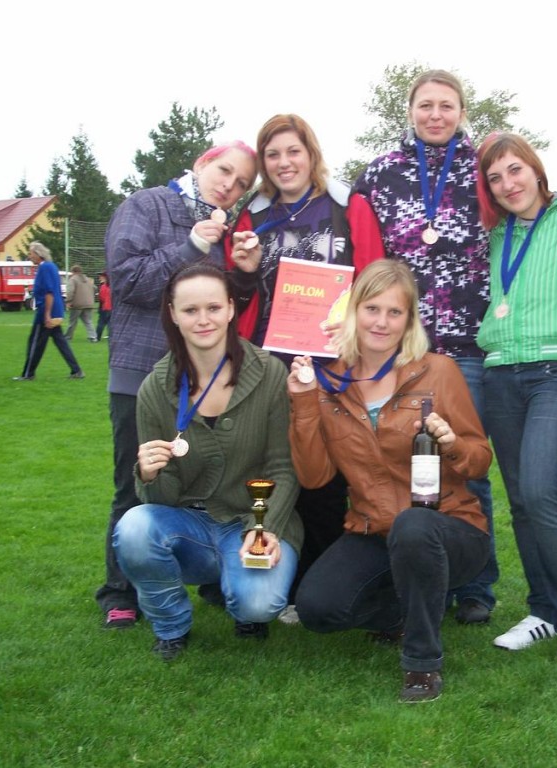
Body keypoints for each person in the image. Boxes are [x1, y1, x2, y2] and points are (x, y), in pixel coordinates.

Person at [287, 259, 491, 703]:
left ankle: (422, 663)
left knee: (413, 525)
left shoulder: (439, 371)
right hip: (373, 530)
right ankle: (408, 608)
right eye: (372, 309)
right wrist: (303, 402)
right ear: (353, 312)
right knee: (317, 610)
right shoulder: (328, 383)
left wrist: (452, 442)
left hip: (449, 528)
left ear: (409, 319)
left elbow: (479, 462)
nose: (381, 322)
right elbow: (314, 477)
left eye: (394, 312)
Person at [351, 69, 498, 625]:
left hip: (468, 343)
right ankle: (410, 574)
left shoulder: (483, 167)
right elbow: (359, 243)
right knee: (397, 460)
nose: (436, 115)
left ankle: (477, 586)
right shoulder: (381, 173)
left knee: (467, 465)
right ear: (410, 110)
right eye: (426, 105)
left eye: (447, 105)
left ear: (462, 112)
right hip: (401, 347)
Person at [226, 115, 381, 622]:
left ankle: (326, 582)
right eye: (273, 154)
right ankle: (265, 575)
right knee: (270, 471)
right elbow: (235, 294)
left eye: (293, 151)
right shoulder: (252, 216)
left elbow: (374, 278)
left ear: (311, 154)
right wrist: (243, 271)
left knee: (325, 478)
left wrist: (355, 331)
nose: (284, 162)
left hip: (334, 366)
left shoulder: (348, 206)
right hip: (267, 365)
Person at [98, 141, 258, 630]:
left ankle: (211, 578)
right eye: (224, 171)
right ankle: (119, 591)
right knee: (136, 481)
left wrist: (244, 275)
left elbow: (223, 307)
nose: (229, 186)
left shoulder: (225, 225)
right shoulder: (146, 204)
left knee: (211, 481)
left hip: (208, 379)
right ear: (201, 163)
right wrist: (191, 247)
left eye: (241, 183)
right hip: (142, 375)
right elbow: (127, 280)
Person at [113, 262, 300, 660]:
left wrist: (264, 527)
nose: (203, 320)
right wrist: (149, 474)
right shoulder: (155, 388)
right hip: (188, 526)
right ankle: (170, 625)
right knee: (133, 528)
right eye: (190, 310)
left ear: (231, 308)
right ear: (173, 314)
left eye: (213, 308)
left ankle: (242, 602)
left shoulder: (269, 373)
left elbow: (283, 468)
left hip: (251, 518)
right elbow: (161, 500)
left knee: (258, 603)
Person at [474, 134, 557, 680]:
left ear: (536, 169)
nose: (508, 185)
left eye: (515, 170)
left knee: (545, 491)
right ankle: (543, 610)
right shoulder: (495, 234)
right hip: (502, 370)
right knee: (523, 502)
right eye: (495, 178)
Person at [12, 242, 85, 381]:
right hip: (55, 310)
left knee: (35, 343)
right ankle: (77, 370)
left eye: (31, 253)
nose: (29, 256)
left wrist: (46, 314)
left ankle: (28, 374)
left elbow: (49, 292)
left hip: (46, 311)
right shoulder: (51, 266)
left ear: (38, 254)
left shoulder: (44, 268)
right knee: (60, 342)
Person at [64, 265, 97, 342]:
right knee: (88, 321)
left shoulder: (73, 279)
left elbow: (70, 291)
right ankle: (93, 337)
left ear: (73, 272)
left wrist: (68, 301)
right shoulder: (88, 279)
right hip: (89, 303)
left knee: (72, 322)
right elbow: (95, 288)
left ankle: (68, 336)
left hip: (77, 304)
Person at [95, 272, 111, 341]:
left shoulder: (103, 286)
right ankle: (111, 337)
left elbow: (101, 297)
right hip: (112, 308)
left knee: (101, 322)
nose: (100, 278)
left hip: (105, 307)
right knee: (110, 323)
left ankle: (98, 337)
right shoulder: (113, 286)